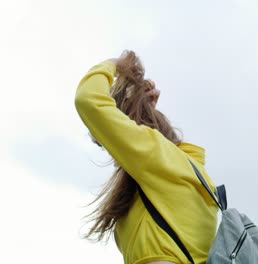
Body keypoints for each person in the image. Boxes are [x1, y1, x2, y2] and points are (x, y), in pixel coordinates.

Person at [75, 51, 218, 264]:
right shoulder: (183, 173)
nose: (115, 150)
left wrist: (117, 64)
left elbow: (88, 99)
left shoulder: (157, 156)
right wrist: (141, 107)